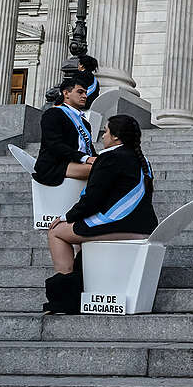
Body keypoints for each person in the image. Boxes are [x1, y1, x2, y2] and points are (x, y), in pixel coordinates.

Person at [43, 115, 158, 313]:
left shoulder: (109, 157)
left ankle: (65, 298)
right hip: (145, 226)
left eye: (105, 131)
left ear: (115, 137)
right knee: (79, 236)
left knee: (56, 232)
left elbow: (92, 198)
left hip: (121, 224)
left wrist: (65, 217)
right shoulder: (143, 160)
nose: (103, 136)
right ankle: (83, 283)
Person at [33, 77, 96, 186]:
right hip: (55, 165)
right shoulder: (53, 114)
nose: (85, 96)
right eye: (80, 92)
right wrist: (86, 158)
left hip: (77, 163)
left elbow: (89, 148)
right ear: (66, 93)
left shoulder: (85, 123)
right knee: (103, 169)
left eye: (86, 93)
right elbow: (54, 145)